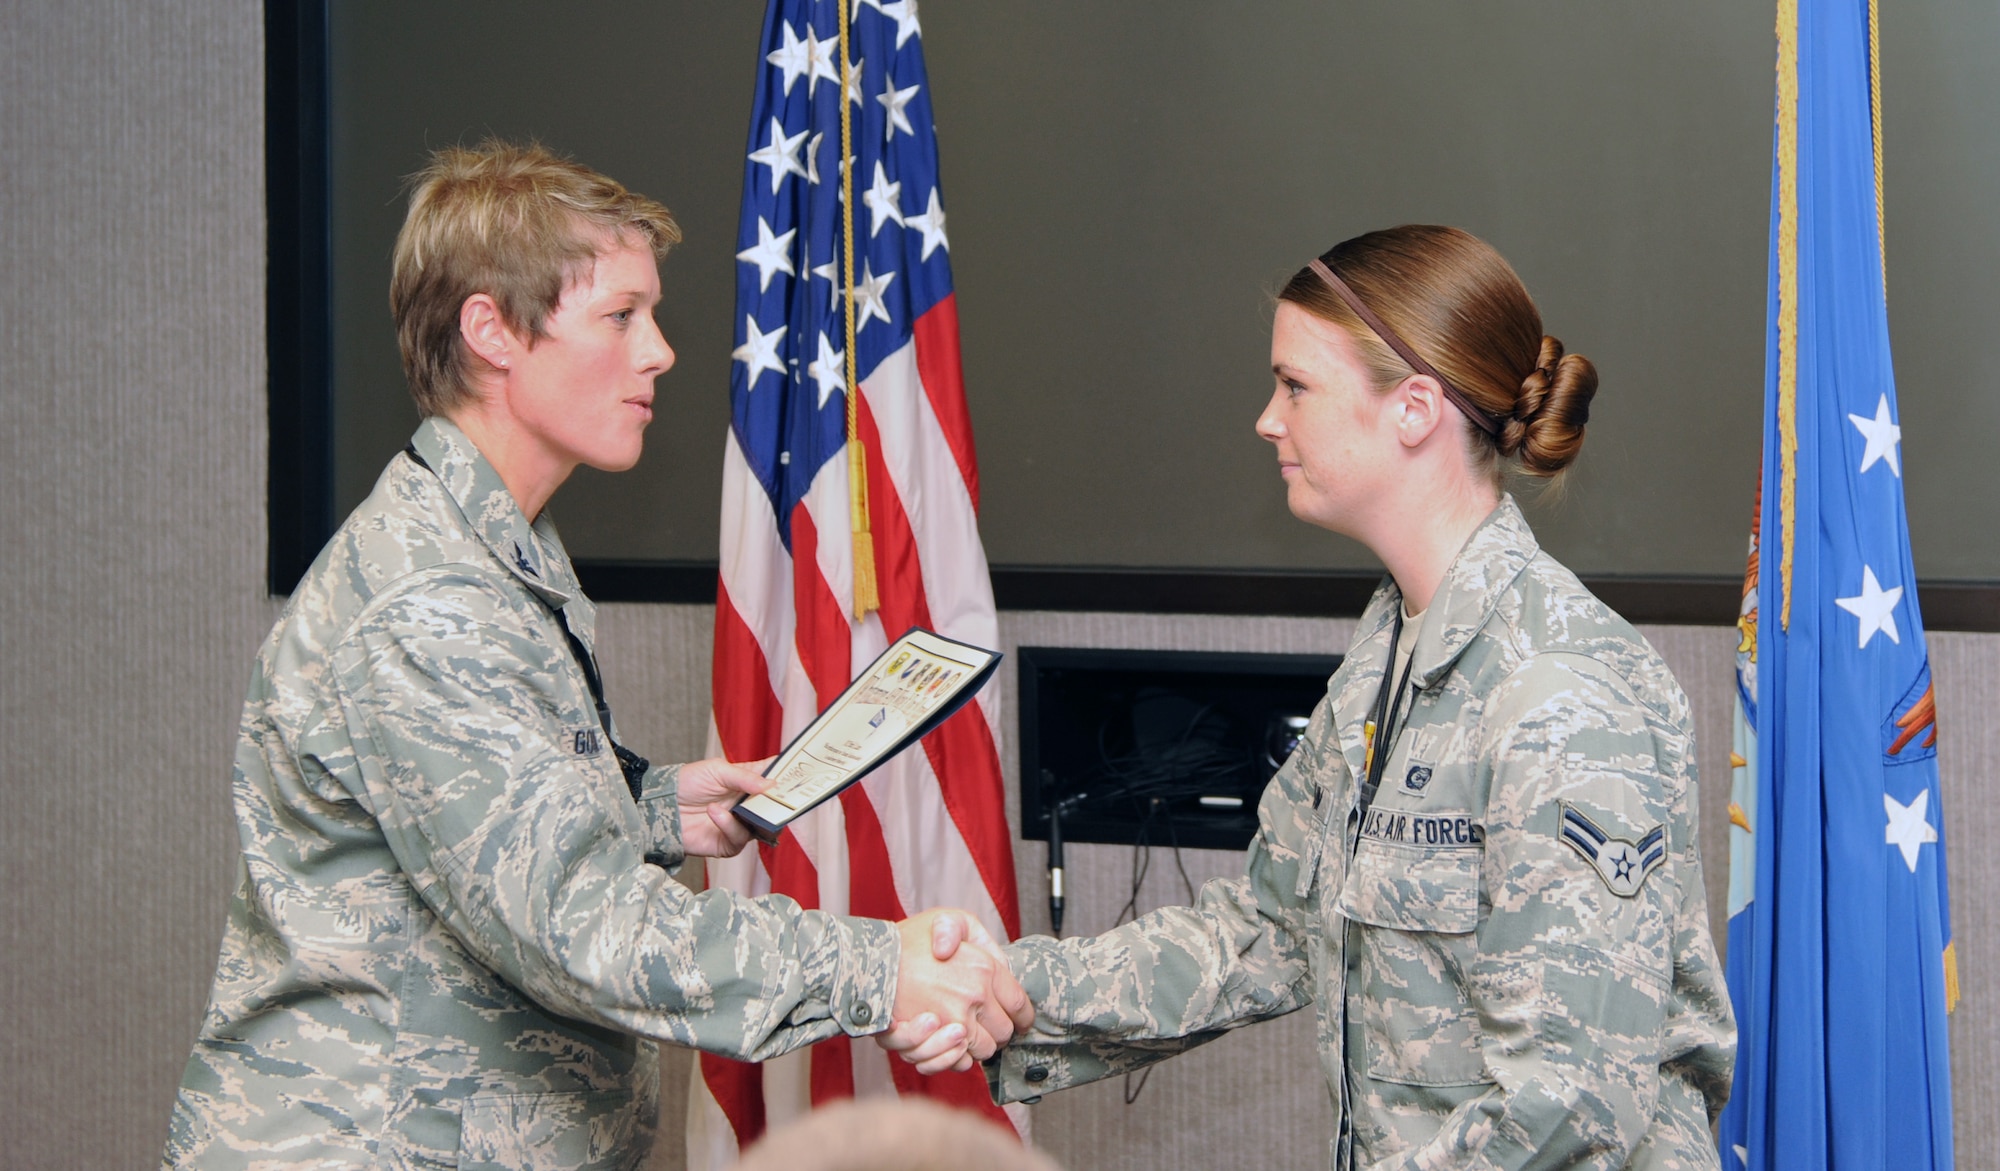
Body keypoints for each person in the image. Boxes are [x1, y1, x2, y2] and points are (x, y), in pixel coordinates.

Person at [164, 141, 1028, 1169]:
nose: (660, 351)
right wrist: (877, 969)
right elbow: (580, 925)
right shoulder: (429, 600)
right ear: (490, 330)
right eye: (620, 316)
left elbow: (473, 831)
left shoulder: (497, 545)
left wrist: (654, 807)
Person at [888, 226, 1736, 1168]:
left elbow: (1570, 1107)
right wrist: (1006, 986)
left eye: (1296, 385)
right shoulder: (1386, 656)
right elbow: (1264, 928)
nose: (1267, 417)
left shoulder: (1561, 690)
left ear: (1415, 408)